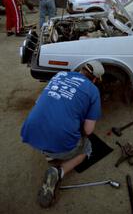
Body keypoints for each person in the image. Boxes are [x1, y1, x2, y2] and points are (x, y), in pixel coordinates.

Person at [21, 60, 105, 208]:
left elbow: (39, 102)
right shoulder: (93, 90)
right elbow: (88, 130)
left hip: (32, 135)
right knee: (87, 146)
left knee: (55, 126)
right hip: (60, 143)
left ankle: (49, 153)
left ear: (81, 70)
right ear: (95, 79)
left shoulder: (60, 75)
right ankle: (59, 171)